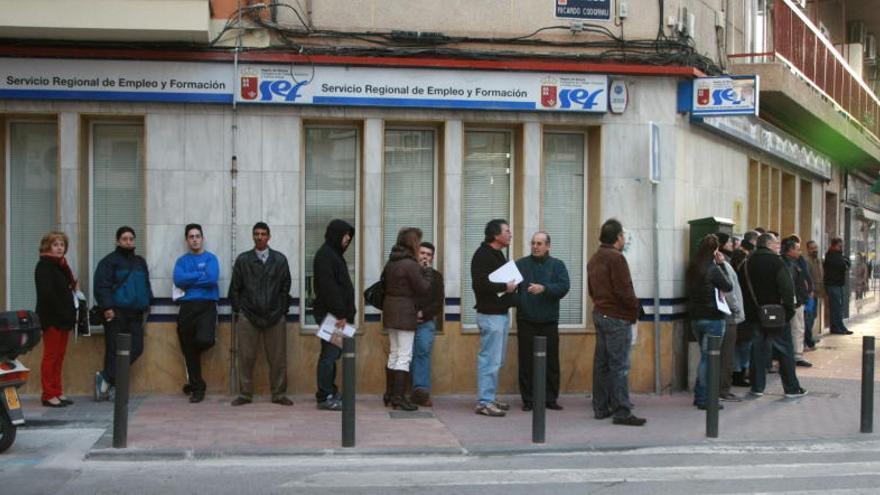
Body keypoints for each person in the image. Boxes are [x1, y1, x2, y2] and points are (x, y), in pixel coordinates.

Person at [587, 219, 646, 426]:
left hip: (600, 313)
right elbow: (624, 289)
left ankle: (601, 407)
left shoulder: (594, 258)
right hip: (617, 317)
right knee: (619, 365)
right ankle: (622, 410)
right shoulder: (616, 258)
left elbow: (591, 290)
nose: (624, 239)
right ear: (618, 237)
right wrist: (635, 309)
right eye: (622, 235)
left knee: (601, 364)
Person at [228, 222, 292, 407]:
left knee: (278, 358)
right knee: (246, 357)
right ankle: (245, 394)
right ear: (252, 236)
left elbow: (285, 286)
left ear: (269, 237)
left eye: (263, 234)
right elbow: (235, 288)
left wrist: (281, 309)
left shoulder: (279, 260)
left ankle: (279, 394)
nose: (260, 237)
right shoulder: (243, 260)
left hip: (275, 316)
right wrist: (240, 309)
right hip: (248, 316)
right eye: (256, 234)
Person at [740, 233, 807, 399]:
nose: (778, 245)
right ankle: (791, 388)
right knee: (785, 351)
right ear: (769, 244)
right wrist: (788, 312)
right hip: (777, 316)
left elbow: (741, 290)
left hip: (754, 315)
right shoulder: (778, 263)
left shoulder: (746, 263)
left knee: (757, 351)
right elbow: (787, 289)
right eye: (776, 243)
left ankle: (757, 387)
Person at [94, 226, 153, 402]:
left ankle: (106, 376)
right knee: (114, 350)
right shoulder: (109, 262)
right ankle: (114, 386)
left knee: (136, 348)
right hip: (116, 313)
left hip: (135, 313)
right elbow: (101, 286)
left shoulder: (140, 262)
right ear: (117, 241)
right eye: (125, 238)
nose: (129, 242)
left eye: (131, 239)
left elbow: (146, 284)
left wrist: (148, 302)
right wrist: (107, 308)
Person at [515, 231, 570, 412]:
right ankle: (528, 399)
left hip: (549, 321)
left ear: (548, 246)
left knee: (551, 362)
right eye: (533, 243)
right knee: (526, 362)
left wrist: (544, 288)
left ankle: (550, 398)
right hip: (526, 320)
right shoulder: (520, 264)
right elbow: (506, 285)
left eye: (539, 243)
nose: (535, 247)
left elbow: (564, 286)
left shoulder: (557, 265)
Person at [381, 228, 432, 411]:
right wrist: (426, 271)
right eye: (418, 241)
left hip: (390, 311)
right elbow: (423, 288)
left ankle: (389, 393)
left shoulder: (391, 262)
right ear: (412, 242)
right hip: (404, 314)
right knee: (404, 355)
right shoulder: (410, 265)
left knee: (394, 353)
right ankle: (399, 397)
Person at [471, 219, 517, 417]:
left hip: (500, 313)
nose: (510, 234)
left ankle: (489, 396)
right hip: (490, 315)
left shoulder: (498, 254)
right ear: (495, 234)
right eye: (507, 231)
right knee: (490, 359)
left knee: (497, 360)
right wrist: (504, 287)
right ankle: (484, 402)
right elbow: (480, 284)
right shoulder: (482, 255)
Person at [172, 224, 220, 403]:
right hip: (186, 307)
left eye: (197, 236)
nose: (194, 239)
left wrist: (190, 279)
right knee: (188, 351)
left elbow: (212, 278)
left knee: (205, 340)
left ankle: (196, 378)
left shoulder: (211, 259)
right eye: (191, 236)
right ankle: (197, 388)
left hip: (207, 305)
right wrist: (199, 275)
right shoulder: (181, 261)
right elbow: (178, 279)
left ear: (202, 238)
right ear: (187, 240)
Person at [313, 219, 356, 411]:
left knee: (333, 353)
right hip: (333, 316)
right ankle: (325, 395)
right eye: (345, 235)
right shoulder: (325, 256)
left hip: (337, 316)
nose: (347, 239)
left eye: (349, 236)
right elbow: (329, 289)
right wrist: (341, 314)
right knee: (329, 355)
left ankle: (331, 390)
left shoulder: (334, 255)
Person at [686, 235, 734, 410]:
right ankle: (704, 399)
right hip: (713, 318)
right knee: (708, 359)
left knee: (705, 357)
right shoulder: (713, 268)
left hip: (696, 318)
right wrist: (721, 264)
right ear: (715, 250)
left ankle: (700, 395)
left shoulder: (692, 267)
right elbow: (728, 285)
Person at [34, 232, 77, 407]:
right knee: (51, 357)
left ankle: (57, 391)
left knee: (59, 356)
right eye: (55, 244)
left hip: (64, 318)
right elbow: (47, 294)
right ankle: (48, 394)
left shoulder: (61, 266)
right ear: (47, 247)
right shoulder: (44, 266)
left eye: (61, 245)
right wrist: (62, 311)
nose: (59, 248)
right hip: (52, 318)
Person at [410, 241, 444, 407]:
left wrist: (423, 313)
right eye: (422, 253)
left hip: (426, 322)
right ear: (416, 254)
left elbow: (438, 302)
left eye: (428, 254)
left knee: (422, 353)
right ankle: (403, 393)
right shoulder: (409, 273)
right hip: (407, 321)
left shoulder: (436, 277)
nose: (425, 257)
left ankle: (421, 392)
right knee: (404, 356)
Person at [714, 233, 745, 402]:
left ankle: (717, 389)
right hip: (728, 315)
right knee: (726, 355)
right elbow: (729, 290)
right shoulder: (722, 264)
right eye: (729, 242)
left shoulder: (718, 263)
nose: (733, 245)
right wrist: (736, 309)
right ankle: (723, 390)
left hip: (722, 315)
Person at [731, 230, 759, 387]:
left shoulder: (736, 258)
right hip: (743, 307)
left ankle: (740, 371)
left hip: (740, 306)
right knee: (744, 343)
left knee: (741, 342)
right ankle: (741, 372)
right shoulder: (745, 260)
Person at [781, 237, 812, 368]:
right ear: (790, 250)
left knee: (798, 328)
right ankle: (796, 355)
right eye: (798, 249)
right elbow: (791, 285)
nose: (800, 252)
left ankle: (795, 354)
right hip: (794, 302)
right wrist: (798, 300)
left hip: (797, 301)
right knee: (797, 328)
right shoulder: (787, 264)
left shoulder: (794, 263)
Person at [823, 237, 852, 335]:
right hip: (833, 285)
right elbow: (843, 265)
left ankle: (840, 326)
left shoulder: (837, 255)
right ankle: (835, 327)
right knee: (836, 307)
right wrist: (845, 262)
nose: (842, 247)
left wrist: (845, 262)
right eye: (840, 245)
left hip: (838, 284)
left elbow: (847, 263)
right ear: (835, 245)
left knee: (839, 307)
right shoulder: (831, 255)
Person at [804, 240, 824, 348]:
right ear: (808, 249)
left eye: (816, 248)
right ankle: (808, 340)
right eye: (812, 248)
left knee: (813, 316)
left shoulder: (818, 260)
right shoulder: (806, 261)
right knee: (809, 317)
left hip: (818, 293)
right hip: (810, 294)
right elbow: (806, 278)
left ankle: (808, 338)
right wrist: (809, 291)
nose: (814, 250)